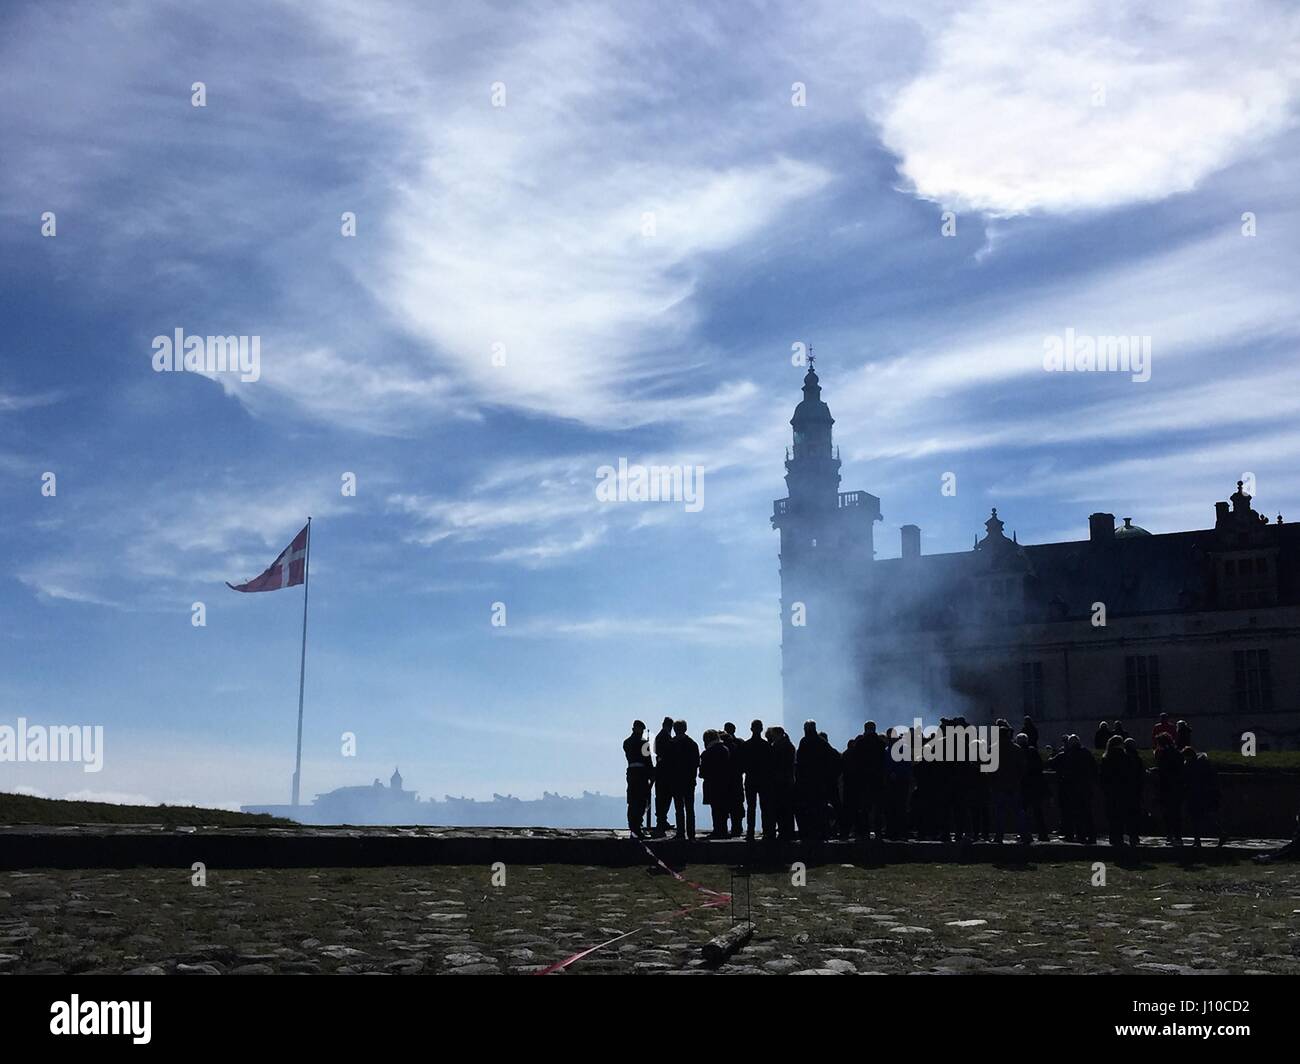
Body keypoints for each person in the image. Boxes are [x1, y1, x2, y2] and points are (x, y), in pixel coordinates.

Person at [1184, 748, 1224, 847]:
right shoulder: (1203, 763)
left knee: (1198, 819)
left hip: (1197, 795)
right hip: (1202, 795)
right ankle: (1200, 840)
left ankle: (1200, 840)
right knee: (1203, 818)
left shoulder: (1193, 765)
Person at [795, 721, 828, 840]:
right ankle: (821, 832)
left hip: (806, 782)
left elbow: (799, 762)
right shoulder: (822, 742)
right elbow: (832, 758)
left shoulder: (804, 742)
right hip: (820, 781)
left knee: (807, 808)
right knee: (819, 808)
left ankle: (808, 832)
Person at [1063, 735, 1097, 844]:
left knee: (1077, 813)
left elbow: (1067, 771)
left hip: (1074, 788)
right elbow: (1094, 768)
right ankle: (1092, 835)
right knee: (1088, 813)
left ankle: (1081, 835)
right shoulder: (1086, 753)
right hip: (1086, 787)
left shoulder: (1070, 754)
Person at [670, 719, 700, 841]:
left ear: (674, 729)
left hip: (676, 780)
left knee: (679, 808)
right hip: (689, 780)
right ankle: (691, 833)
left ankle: (680, 832)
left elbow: (667, 763)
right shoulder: (692, 744)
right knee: (690, 808)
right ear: (685, 729)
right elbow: (696, 762)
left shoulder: (671, 744)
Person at [1152, 732, 1183, 846]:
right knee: (1176, 813)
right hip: (1177, 788)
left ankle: (1170, 835)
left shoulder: (1163, 755)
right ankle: (1178, 836)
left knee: (1167, 813)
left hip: (1166, 788)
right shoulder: (1177, 753)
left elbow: (1163, 771)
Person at [742, 719, 771, 841]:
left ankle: (750, 832)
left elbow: (742, 763)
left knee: (751, 807)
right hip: (763, 779)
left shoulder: (746, 745)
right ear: (761, 729)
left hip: (750, 779)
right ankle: (766, 831)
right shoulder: (766, 746)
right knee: (765, 806)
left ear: (751, 729)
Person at [766, 725, 797, 841]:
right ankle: (788, 831)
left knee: (781, 809)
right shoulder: (789, 745)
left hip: (780, 782)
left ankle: (784, 832)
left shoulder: (779, 747)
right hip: (788, 781)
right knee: (787, 809)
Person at [1099, 735, 1130, 848]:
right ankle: (1119, 837)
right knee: (1120, 815)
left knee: (1111, 815)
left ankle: (1113, 837)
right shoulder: (1124, 757)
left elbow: (1102, 776)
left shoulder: (1106, 757)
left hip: (1110, 790)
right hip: (1121, 789)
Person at [699, 729, 731, 839]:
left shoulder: (707, 753)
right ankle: (724, 830)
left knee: (715, 808)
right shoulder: (725, 749)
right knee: (723, 808)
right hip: (724, 783)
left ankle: (717, 830)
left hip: (712, 784)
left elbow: (702, 772)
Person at [623, 720, 652, 837]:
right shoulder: (644, 743)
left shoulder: (626, 742)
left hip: (631, 773)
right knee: (640, 800)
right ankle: (638, 826)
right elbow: (647, 760)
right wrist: (651, 773)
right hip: (641, 774)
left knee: (632, 799)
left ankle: (632, 826)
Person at [1020, 732, 1049, 841]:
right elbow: (1040, 766)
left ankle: (1025, 834)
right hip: (1035, 785)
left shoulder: (1019, 752)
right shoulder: (1033, 751)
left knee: (1023, 811)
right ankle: (1043, 834)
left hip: (1023, 786)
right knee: (1038, 811)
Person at [651, 716, 676, 836]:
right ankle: (661, 821)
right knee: (664, 797)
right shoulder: (665, 736)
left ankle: (662, 820)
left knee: (663, 796)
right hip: (665, 771)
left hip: (662, 770)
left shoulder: (660, 736)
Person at [721, 722, 746, 837]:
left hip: (725, 779)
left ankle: (723, 829)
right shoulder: (740, 743)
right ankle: (737, 828)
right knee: (737, 803)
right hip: (737, 778)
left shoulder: (722, 745)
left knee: (725, 804)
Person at [1122, 737, 1144, 847]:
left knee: (1127, 814)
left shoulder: (1124, 759)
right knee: (1135, 813)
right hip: (1136, 789)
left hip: (1126, 790)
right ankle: (1135, 835)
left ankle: (1130, 835)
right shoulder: (1137, 758)